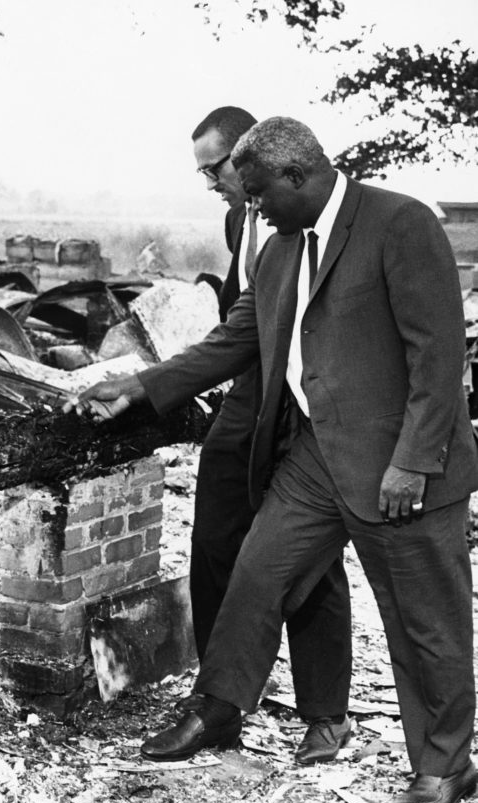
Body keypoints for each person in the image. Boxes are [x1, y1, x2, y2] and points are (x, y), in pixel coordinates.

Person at [65, 117, 478, 803]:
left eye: (258, 194)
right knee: (258, 573)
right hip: (317, 456)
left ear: (298, 175)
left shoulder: (399, 224)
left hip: (405, 462)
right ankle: (222, 706)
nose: (251, 209)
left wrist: (413, 461)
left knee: (423, 619)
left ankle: (445, 765)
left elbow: (439, 359)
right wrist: (142, 385)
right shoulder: (281, 252)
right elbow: (234, 341)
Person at [185, 107, 353, 766]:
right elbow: (241, 316)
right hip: (248, 397)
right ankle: (218, 703)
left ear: (246, 159)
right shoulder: (237, 221)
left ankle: (325, 715)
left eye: (214, 170)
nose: (211, 185)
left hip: (306, 406)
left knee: (311, 562)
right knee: (214, 538)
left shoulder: (306, 215)